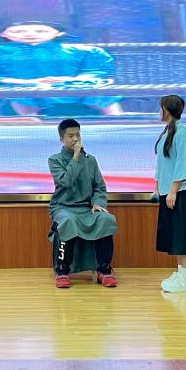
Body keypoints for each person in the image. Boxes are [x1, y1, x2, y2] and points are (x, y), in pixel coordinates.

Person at [0, 21, 122, 116]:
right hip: (14, 87)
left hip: (71, 85)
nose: (30, 34)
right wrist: (20, 82)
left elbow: (98, 71)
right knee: (22, 92)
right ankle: (29, 120)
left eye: (41, 30)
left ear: (59, 33)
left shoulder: (87, 51)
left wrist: (68, 80)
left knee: (96, 87)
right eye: (19, 31)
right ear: (3, 34)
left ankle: (116, 118)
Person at [48, 118, 118, 289]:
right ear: (62, 139)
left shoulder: (91, 160)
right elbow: (66, 181)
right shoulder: (55, 160)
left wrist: (97, 202)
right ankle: (62, 270)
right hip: (63, 207)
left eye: (77, 135)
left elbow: (99, 187)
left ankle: (104, 270)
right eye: (70, 136)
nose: (75, 139)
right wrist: (76, 157)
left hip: (86, 208)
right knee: (67, 222)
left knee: (106, 219)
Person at [153, 95, 186, 292]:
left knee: (184, 236)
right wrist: (158, 186)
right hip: (167, 192)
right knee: (176, 237)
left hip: (180, 192)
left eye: (161, 108)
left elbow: (182, 163)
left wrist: (173, 190)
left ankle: (185, 278)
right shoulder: (167, 132)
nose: (159, 112)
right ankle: (181, 274)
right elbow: (162, 163)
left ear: (168, 110)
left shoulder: (182, 133)